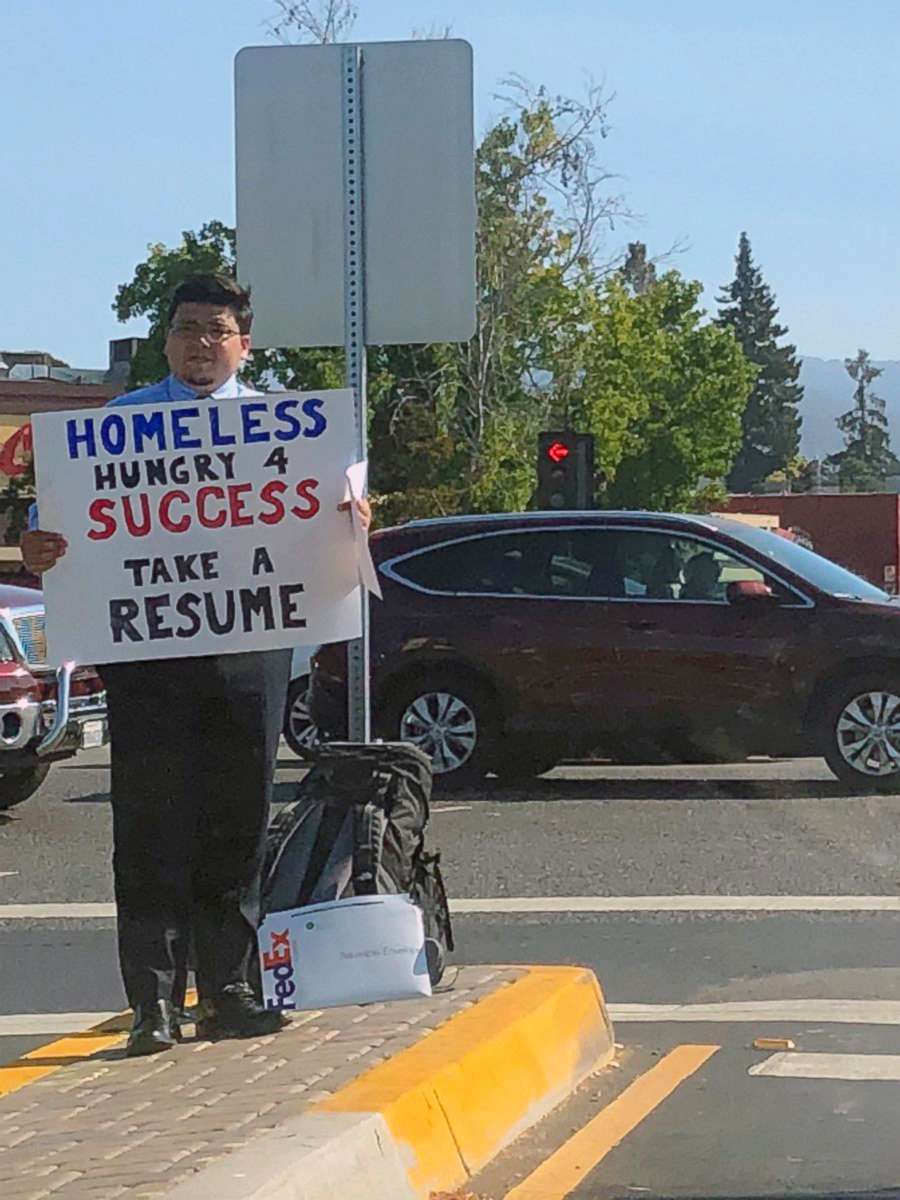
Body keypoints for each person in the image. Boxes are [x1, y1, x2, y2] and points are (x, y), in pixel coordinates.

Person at [22, 274, 371, 1057]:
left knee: (237, 824)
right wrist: (43, 547)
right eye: (186, 328)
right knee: (149, 829)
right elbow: (56, 530)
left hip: (251, 651)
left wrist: (355, 518)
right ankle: (152, 1002)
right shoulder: (117, 426)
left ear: (244, 342)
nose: (200, 343)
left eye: (217, 329)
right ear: (166, 340)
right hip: (148, 655)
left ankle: (230, 989)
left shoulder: (290, 427)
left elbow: (341, 516)